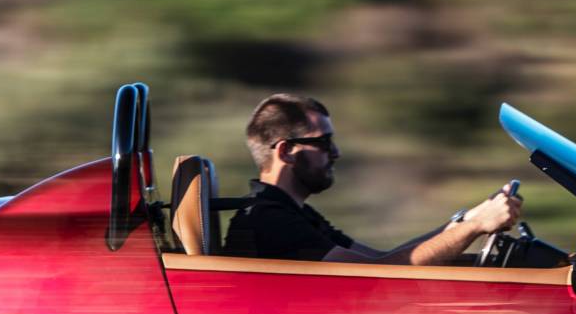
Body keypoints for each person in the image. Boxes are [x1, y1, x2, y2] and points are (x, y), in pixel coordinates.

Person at [222, 93, 521, 264]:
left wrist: (466, 219)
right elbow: (385, 275)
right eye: (323, 143)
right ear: (286, 151)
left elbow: (384, 259)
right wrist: (475, 228)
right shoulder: (270, 219)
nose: (336, 152)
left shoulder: (292, 213)